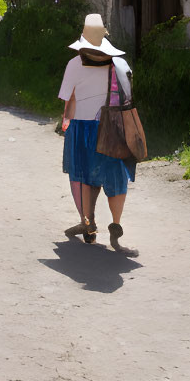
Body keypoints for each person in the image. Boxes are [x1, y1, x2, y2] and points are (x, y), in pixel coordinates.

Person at [55, 13, 135, 250]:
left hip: (81, 127)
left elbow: (68, 99)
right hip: (113, 129)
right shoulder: (120, 64)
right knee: (115, 176)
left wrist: (66, 120)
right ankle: (116, 224)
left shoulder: (74, 65)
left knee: (82, 175)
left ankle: (87, 223)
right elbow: (128, 97)